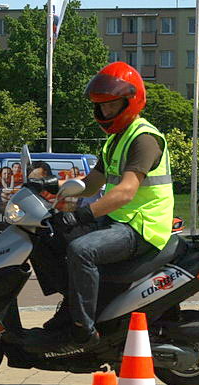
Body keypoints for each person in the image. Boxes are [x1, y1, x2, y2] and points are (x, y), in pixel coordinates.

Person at [38, 61, 174, 352]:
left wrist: (83, 215)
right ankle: (72, 308)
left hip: (141, 227)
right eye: (101, 106)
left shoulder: (144, 139)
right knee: (47, 236)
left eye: (111, 106)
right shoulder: (115, 141)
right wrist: (51, 188)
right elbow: (90, 183)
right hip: (119, 220)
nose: (105, 112)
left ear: (130, 101)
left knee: (81, 250)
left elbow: (126, 191)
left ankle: (82, 333)